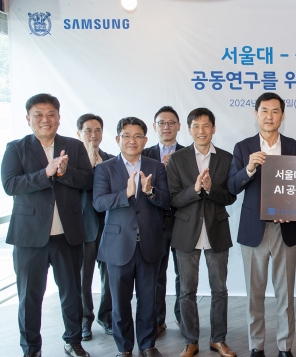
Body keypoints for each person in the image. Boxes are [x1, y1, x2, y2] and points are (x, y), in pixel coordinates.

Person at [1, 93, 93, 357]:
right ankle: (31, 348)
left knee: (71, 293)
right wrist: (46, 173)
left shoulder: (73, 147)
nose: (45, 119)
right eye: (38, 114)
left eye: (51, 114)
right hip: (29, 238)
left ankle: (73, 341)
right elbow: (10, 185)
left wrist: (64, 172)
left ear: (59, 118)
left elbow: (88, 180)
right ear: (28, 118)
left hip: (67, 235)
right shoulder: (16, 148)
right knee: (30, 298)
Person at [228, 92, 296, 357]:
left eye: (275, 111)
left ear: (282, 115)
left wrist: (291, 209)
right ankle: (256, 347)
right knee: (254, 296)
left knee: (285, 295)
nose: (269, 116)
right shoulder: (242, 147)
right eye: (264, 111)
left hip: (285, 228)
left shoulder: (295, 147)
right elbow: (231, 187)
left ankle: (285, 347)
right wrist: (249, 168)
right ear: (256, 114)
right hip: (254, 230)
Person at [93, 117, 170, 357]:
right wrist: (124, 194)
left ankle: (147, 345)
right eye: (127, 135)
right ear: (118, 139)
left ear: (146, 140)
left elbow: (167, 201)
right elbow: (98, 203)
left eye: (138, 136)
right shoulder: (105, 168)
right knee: (120, 303)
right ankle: (124, 348)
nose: (132, 140)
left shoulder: (156, 167)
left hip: (149, 244)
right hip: (118, 246)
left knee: (148, 300)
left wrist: (150, 192)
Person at [167, 108, 238, 357]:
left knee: (219, 289)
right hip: (186, 233)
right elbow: (174, 199)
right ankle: (190, 340)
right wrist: (196, 189)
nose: (201, 131)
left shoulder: (226, 159)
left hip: (216, 230)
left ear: (214, 128)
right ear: (189, 130)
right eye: (196, 126)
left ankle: (218, 339)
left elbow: (230, 197)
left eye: (206, 126)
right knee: (187, 290)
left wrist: (211, 188)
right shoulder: (177, 159)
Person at [142, 106, 185, 332]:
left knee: (183, 274)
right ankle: (157, 320)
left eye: (171, 122)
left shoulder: (188, 153)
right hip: (153, 224)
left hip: (181, 222)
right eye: (162, 122)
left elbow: (192, 188)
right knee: (155, 274)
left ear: (178, 126)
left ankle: (182, 317)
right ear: (154, 126)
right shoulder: (144, 154)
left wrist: (173, 170)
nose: (166, 127)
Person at [76, 114, 115, 341]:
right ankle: (84, 320)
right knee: (83, 277)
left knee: (110, 275)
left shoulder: (110, 160)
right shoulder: (69, 162)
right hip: (83, 227)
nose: (93, 134)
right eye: (88, 130)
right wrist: (89, 169)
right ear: (79, 133)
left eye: (97, 130)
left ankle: (106, 316)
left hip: (109, 227)